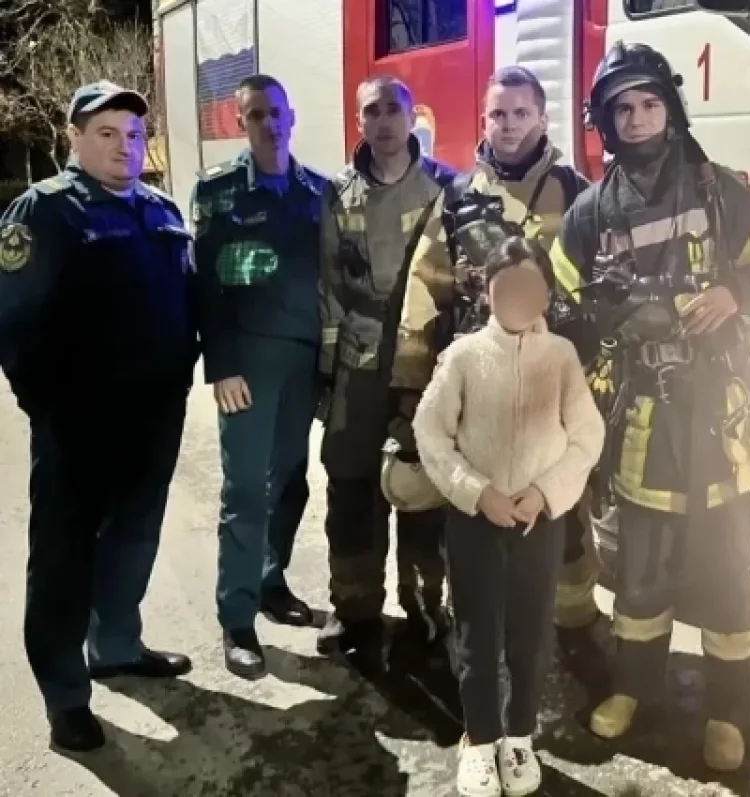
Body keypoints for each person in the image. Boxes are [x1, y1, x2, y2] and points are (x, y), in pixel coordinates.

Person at [548, 42, 750, 771]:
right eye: (622, 109)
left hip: (718, 415)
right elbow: (560, 304)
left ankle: (728, 712)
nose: (636, 119)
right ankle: (633, 690)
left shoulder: (721, 193)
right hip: (642, 418)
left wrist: (735, 294)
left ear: (671, 109)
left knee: (726, 570)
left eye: (649, 104)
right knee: (642, 571)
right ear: (605, 122)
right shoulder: (591, 212)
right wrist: (596, 322)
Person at [0, 81, 199, 752]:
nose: (124, 146)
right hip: (78, 424)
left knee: (133, 536)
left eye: (134, 134)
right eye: (107, 133)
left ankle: (115, 646)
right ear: (75, 139)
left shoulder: (160, 209)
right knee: (64, 556)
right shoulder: (46, 210)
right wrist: (49, 409)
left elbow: (186, 300)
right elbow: (14, 323)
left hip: (155, 414)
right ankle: (64, 695)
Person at [396, 65, 600, 635]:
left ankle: (575, 622)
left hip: (551, 379)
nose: (508, 125)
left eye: (521, 113)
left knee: (562, 507)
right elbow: (423, 287)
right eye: (497, 114)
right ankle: (476, 631)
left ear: (542, 118)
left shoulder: (578, 194)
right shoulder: (458, 197)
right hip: (478, 380)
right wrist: (410, 382)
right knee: (473, 506)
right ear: (484, 120)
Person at [412, 236, 605, 797]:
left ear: (546, 293)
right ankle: (479, 739)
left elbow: (586, 437)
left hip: (538, 523)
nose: (518, 297)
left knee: (530, 636)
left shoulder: (561, 357)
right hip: (475, 522)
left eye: (530, 286)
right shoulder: (464, 356)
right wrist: (477, 493)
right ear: (487, 291)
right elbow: (431, 433)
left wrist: (545, 493)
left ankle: (519, 736)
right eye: (506, 286)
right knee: (476, 635)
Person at [317, 75, 455, 668]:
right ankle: (354, 612)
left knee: (423, 494)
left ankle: (425, 613)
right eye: (371, 112)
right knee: (351, 492)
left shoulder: (446, 188)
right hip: (358, 367)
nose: (383, 122)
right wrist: (327, 380)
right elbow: (328, 289)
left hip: (423, 366)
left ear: (411, 116)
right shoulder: (338, 195)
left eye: (393, 110)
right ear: (359, 122)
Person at [191, 74, 325, 680]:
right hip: (246, 364)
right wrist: (221, 365)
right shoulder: (218, 191)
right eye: (255, 115)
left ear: (290, 116)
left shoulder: (317, 191)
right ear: (240, 122)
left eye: (276, 112)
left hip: (302, 360)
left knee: (290, 482)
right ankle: (237, 617)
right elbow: (205, 285)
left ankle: (271, 582)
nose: (269, 124)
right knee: (245, 491)